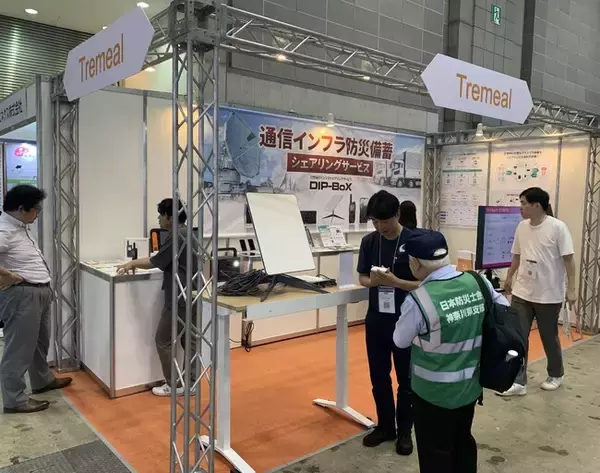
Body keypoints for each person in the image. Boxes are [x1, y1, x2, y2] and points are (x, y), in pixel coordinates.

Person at [393, 231, 509, 473]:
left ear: (416, 263)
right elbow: (504, 309)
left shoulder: (419, 299)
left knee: (435, 453)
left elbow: (400, 340)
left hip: (433, 395)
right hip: (469, 388)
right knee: (462, 442)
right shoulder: (477, 282)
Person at [357, 190, 420, 455]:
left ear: (398, 214)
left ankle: (405, 431)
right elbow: (362, 277)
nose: (381, 227)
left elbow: (426, 283)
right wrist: (375, 282)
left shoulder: (415, 241)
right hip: (377, 319)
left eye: (385, 221)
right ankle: (385, 426)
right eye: (375, 221)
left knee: (407, 379)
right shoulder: (369, 242)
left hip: (407, 319)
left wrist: (397, 283)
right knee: (378, 375)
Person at [0, 185, 72, 414]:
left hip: (38, 291)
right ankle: (15, 400)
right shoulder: (4, 229)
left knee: (40, 343)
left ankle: (42, 380)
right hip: (22, 294)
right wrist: (8, 275)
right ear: (22, 209)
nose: (38, 214)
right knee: (19, 349)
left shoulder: (20, 227)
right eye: (36, 209)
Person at [499, 187, 575, 396]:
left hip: (548, 294)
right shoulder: (522, 227)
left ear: (537, 205)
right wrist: (509, 276)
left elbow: (569, 260)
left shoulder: (557, 227)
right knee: (517, 337)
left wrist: (572, 289)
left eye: (524, 203)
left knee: (548, 336)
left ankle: (555, 374)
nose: (521, 207)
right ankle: (518, 381)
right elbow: (517, 255)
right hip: (522, 292)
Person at [117, 198, 197, 397]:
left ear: (170, 216)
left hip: (178, 296)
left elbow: (156, 261)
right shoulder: (189, 232)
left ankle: (173, 384)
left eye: (161, 215)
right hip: (193, 294)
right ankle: (191, 383)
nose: (159, 219)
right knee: (190, 341)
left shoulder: (177, 235)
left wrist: (132, 263)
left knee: (163, 340)